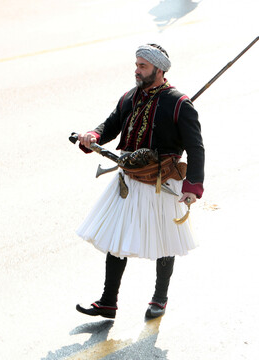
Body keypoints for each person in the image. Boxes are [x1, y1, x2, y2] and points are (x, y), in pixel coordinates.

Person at [75, 43, 205, 319]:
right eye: (136, 64)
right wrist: (92, 137)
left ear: (159, 70)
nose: (137, 70)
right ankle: (108, 301)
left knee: (166, 242)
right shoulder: (130, 97)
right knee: (116, 237)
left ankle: (159, 298)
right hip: (129, 179)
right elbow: (109, 125)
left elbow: (196, 147)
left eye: (143, 66)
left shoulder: (179, 104)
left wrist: (193, 186)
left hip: (162, 182)